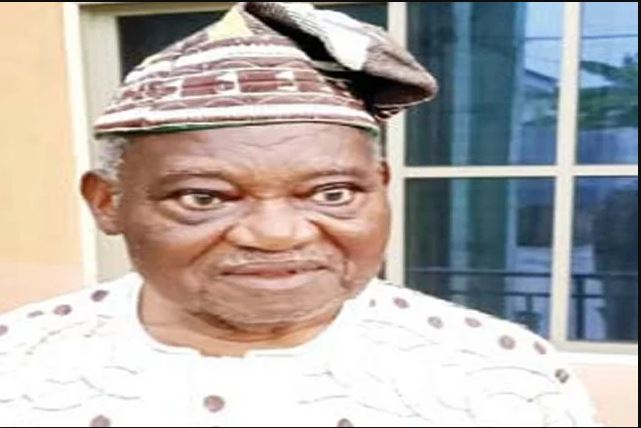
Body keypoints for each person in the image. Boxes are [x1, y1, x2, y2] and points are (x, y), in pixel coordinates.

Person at [0, 2, 598, 426]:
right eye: (204, 198)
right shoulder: (18, 361)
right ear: (108, 203)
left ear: (380, 188)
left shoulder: (500, 377)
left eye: (332, 194)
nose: (276, 234)